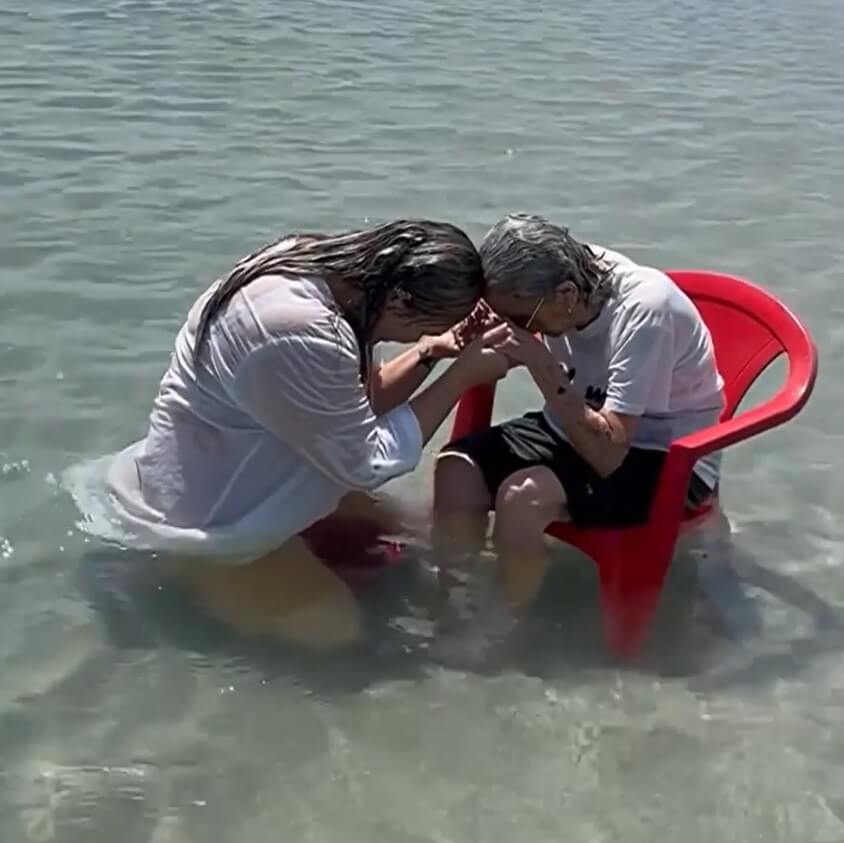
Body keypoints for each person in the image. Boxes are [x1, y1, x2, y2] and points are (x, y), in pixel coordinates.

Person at [74, 219, 511, 648]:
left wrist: (430, 351)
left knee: (414, 533)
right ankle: (173, 572)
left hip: (242, 461)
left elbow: (354, 403)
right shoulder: (298, 331)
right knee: (337, 631)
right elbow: (367, 462)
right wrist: (460, 378)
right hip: (212, 518)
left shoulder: (326, 269)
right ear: (399, 299)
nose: (419, 336)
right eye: (422, 327)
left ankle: (278, 557)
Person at [432, 214, 725, 655]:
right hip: (575, 423)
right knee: (455, 470)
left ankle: (504, 625)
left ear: (567, 296)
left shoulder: (645, 311)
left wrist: (539, 361)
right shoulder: (557, 279)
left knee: (521, 498)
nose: (513, 326)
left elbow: (608, 455)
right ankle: (458, 599)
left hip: (661, 453)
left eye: (519, 318)